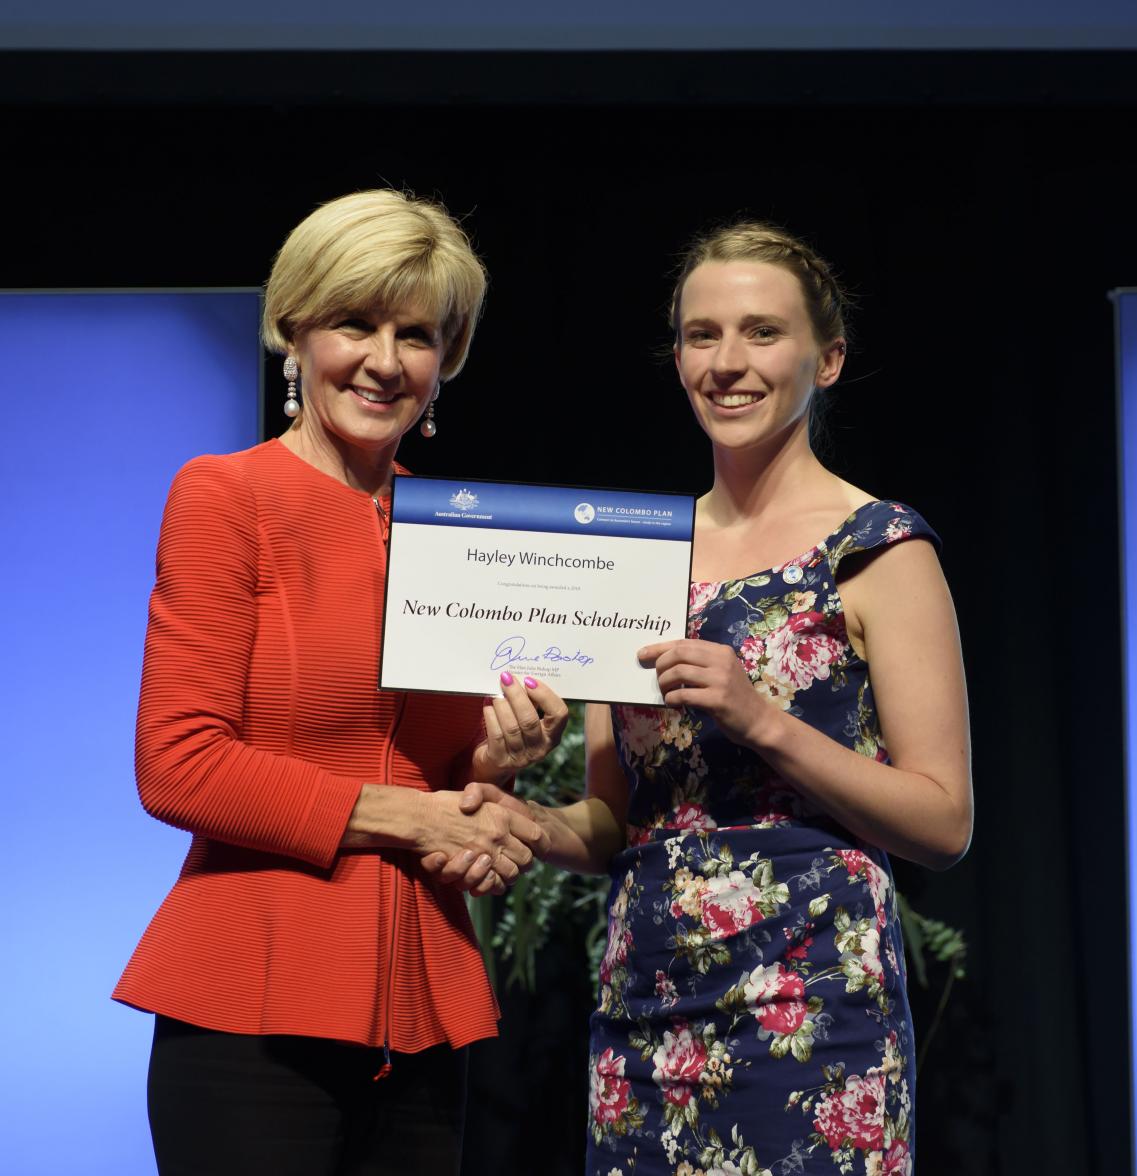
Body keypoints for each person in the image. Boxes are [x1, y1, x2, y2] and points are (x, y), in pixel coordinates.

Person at [453, 221, 972, 1173]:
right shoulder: (641, 553)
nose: (727, 363)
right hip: (647, 1005)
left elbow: (943, 821)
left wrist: (762, 720)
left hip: (814, 1012)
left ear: (831, 357)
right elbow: (615, 822)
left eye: (762, 333)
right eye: (702, 336)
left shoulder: (879, 549)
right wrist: (517, 820)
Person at [114, 189, 567, 1176]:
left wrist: (498, 762)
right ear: (293, 330)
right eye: (354, 323)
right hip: (251, 1010)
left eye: (417, 334)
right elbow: (178, 765)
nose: (385, 359)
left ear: (446, 360)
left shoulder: (462, 531)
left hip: (420, 1011)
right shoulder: (225, 495)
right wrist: (417, 819)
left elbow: (429, 768)